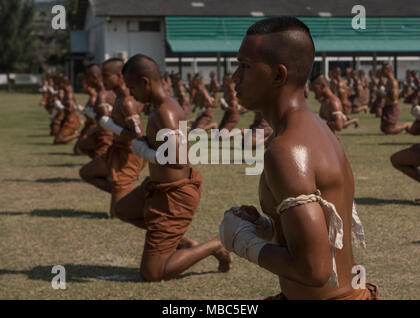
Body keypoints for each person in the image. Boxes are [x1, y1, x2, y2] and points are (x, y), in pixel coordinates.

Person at [219, 16, 377, 300]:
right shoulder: (316, 128)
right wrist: (267, 228)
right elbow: (321, 235)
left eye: (245, 66)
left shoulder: (287, 149)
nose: (235, 77)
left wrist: (243, 241)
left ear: (278, 75)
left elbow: (314, 270)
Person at [114, 54, 232, 282]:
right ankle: (182, 242)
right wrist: (143, 142)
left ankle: (216, 245)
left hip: (174, 196)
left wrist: (143, 150)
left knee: (152, 273)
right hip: (157, 188)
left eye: (131, 87)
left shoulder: (164, 112)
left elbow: (177, 158)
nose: (130, 93)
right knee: (123, 209)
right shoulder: (159, 107)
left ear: (145, 82)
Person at [80, 58, 147, 217]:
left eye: (106, 75)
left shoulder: (127, 101)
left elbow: (137, 134)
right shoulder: (118, 97)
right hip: (115, 151)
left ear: (120, 75)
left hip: (128, 157)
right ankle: (125, 194)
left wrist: (110, 126)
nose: (102, 79)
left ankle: (131, 196)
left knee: (116, 215)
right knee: (86, 172)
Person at [380, 64, 412, 135]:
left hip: (392, 108)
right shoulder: (387, 81)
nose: (381, 71)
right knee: (383, 129)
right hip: (387, 107)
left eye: (383, 70)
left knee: (389, 131)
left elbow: (394, 97)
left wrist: (384, 93)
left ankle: (407, 125)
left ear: (388, 70)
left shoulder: (393, 82)